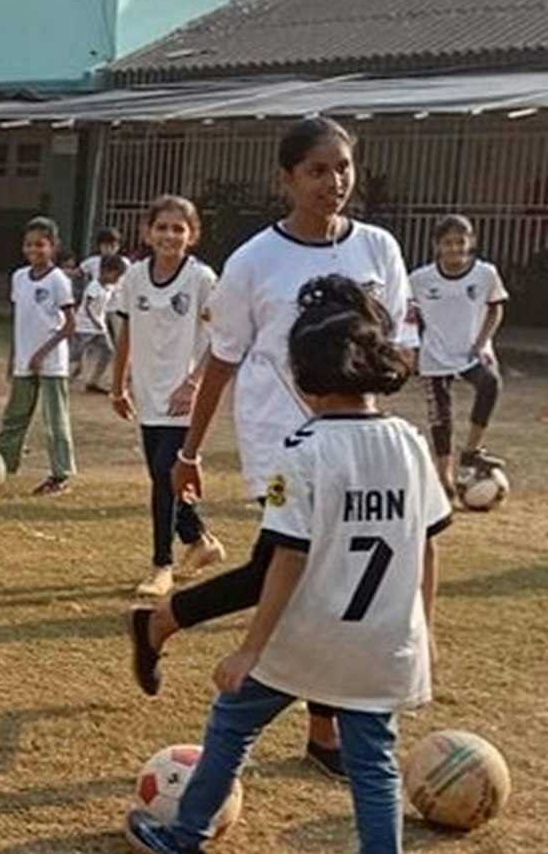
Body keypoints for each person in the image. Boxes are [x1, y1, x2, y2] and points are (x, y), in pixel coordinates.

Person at [128, 117, 414, 778]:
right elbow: (222, 362)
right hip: (280, 442)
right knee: (299, 572)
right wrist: (188, 453)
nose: (333, 182)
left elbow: (388, 350)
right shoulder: (255, 261)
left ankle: (161, 625)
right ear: (287, 178)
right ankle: (320, 731)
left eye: (342, 167)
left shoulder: (380, 249)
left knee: (301, 577)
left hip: (355, 441)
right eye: (317, 170)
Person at [125, 274, 448, 854]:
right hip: (383, 645)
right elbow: (427, 545)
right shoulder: (410, 444)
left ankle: (185, 833)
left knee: (231, 726)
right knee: (374, 765)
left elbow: (286, 561)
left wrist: (250, 648)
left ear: (302, 379)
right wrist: (424, 629)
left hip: (308, 639)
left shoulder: (299, 455)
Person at [110, 195, 225, 598]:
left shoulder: (202, 279)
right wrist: (117, 385)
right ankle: (200, 541)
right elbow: (127, 332)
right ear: (147, 232)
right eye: (162, 227)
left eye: (179, 228)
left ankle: (162, 565)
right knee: (164, 476)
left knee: (163, 477)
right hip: (148, 393)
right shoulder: (135, 277)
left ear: (192, 236)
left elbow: (221, 341)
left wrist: (193, 384)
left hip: (183, 399)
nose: (169, 235)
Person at [410, 214, 507, 499]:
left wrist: (482, 342)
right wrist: (412, 348)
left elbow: (495, 308)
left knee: (490, 383)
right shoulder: (420, 279)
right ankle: (445, 475)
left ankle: (472, 450)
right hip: (435, 354)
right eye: (448, 243)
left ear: (471, 242)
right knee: (441, 417)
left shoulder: (485, 274)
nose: (455, 248)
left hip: (470, 351)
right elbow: (407, 313)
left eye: (460, 241)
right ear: (436, 245)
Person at [0, 216, 78, 496]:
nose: (33, 250)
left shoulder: (58, 280)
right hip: (24, 361)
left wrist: (43, 353)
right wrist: (14, 356)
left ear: (52, 246)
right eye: (29, 245)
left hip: (51, 364)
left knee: (55, 420)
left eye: (40, 245)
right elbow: (20, 320)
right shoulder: (19, 277)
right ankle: (2, 462)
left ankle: (60, 474)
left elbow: (69, 325)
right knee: (14, 416)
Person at [73, 253, 126, 394]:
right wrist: (94, 321)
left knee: (108, 352)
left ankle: (93, 381)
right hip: (85, 327)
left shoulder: (108, 287)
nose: (117, 279)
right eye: (116, 275)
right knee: (75, 354)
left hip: (99, 328)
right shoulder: (94, 287)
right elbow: (87, 306)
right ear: (107, 272)